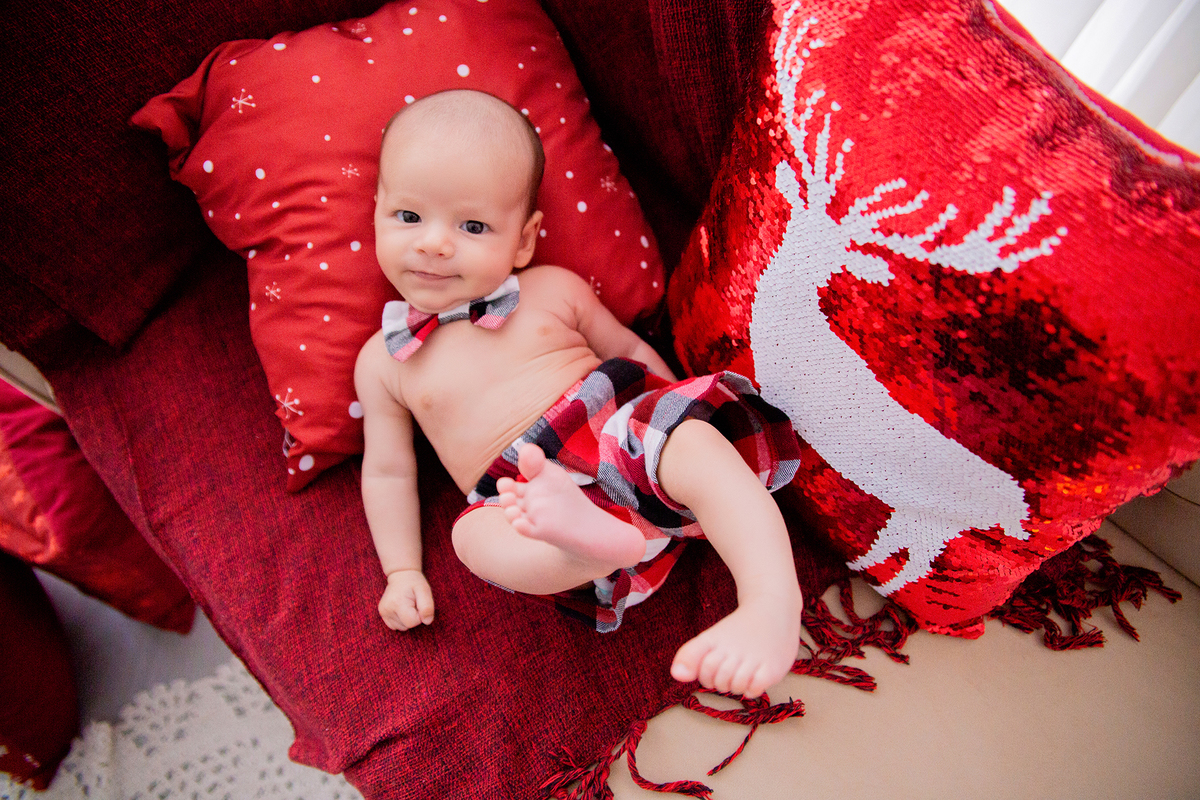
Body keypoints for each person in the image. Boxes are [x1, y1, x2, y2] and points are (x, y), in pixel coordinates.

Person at [355, 89, 803, 699]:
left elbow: (631, 351)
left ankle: (769, 600)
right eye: (408, 217)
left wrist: (676, 424)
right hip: (526, 497)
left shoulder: (553, 288)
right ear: (376, 213)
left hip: (619, 434)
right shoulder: (382, 363)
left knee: (691, 442)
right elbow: (387, 472)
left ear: (523, 241)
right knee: (472, 538)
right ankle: (589, 551)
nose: (433, 243)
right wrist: (402, 569)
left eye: (473, 226)